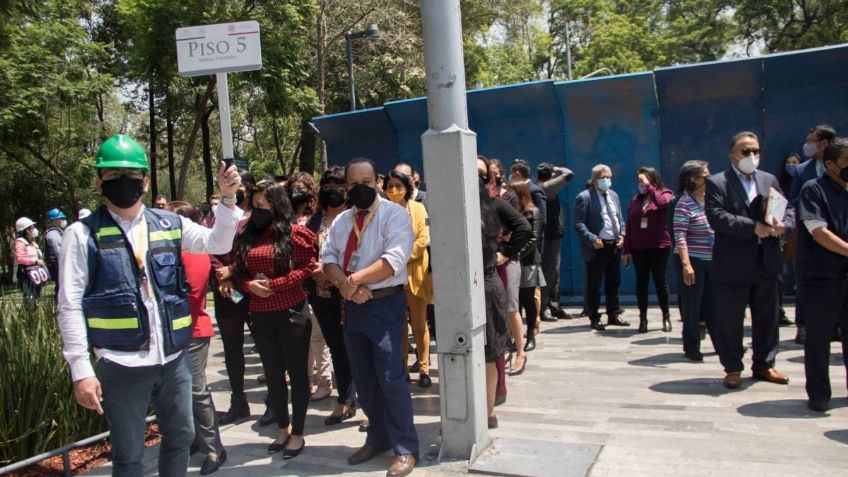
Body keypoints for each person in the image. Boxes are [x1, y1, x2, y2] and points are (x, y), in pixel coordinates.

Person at [57, 134, 241, 476]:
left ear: (144, 181)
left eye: (131, 175)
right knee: (128, 453)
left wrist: (228, 199)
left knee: (181, 437)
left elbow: (219, 241)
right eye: (112, 176)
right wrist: (81, 370)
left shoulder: (170, 224)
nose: (122, 182)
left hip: (173, 359)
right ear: (99, 182)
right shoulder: (82, 235)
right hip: (121, 362)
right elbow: (69, 305)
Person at [321, 158, 417, 477]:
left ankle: (405, 448)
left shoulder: (394, 214)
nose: (359, 187)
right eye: (353, 183)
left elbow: (394, 260)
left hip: (384, 304)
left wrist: (353, 281)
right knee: (363, 379)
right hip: (353, 307)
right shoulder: (342, 222)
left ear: (377, 181)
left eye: (366, 181)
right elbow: (329, 260)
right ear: (346, 186)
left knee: (391, 377)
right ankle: (378, 437)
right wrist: (347, 288)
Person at [231, 179, 318, 458]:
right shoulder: (248, 235)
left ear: (277, 206)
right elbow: (239, 272)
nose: (256, 211)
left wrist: (277, 285)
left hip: (291, 312)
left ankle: (299, 433)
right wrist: (249, 287)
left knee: (297, 374)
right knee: (273, 375)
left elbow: (309, 266)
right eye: (254, 205)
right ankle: (283, 426)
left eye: (262, 205)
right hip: (260, 315)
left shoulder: (295, 235)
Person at [705, 131, 795, 389]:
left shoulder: (769, 179)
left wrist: (783, 226)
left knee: (767, 316)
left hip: (766, 260)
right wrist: (752, 227)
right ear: (733, 154)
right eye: (746, 151)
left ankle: (765, 364)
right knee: (730, 318)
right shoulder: (717, 182)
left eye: (756, 151)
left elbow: (786, 209)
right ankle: (732, 367)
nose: (752, 156)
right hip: (733, 262)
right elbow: (716, 216)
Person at [166, 201, 226, 474]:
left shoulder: (193, 253)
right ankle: (193, 439)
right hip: (175, 332)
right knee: (180, 393)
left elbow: (187, 296)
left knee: (196, 391)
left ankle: (214, 449)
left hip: (192, 331)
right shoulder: (174, 252)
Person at [796, 137, 848, 412]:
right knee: (819, 338)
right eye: (846, 163)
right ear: (829, 164)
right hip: (822, 278)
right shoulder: (813, 190)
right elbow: (819, 232)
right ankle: (819, 394)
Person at [305, 165, 357, 425]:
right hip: (321, 296)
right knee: (336, 348)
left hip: (351, 293)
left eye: (339, 186)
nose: (334, 191)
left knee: (357, 348)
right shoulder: (314, 222)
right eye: (328, 187)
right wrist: (313, 269)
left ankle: (361, 400)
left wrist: (332, 272)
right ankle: (345, 398)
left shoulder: (355, 218)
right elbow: (303, 255)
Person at [212, 172, 257, 426]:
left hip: (251, 292)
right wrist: (224, 277)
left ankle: (274, 401)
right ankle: (238, 400)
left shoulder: (258, 219)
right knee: (232, 349)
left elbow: (258, 254)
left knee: (265, 346)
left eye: (240, 188)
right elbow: (211, 248)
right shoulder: (219, 215)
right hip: (227, 293)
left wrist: (235, 271)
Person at [384, 169, 434, 388]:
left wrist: (401, 258)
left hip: (416, 274)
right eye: (390, 186)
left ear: (407, 188)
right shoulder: (382, 213)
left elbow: (423, 239)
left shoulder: (418, 208)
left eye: (398, 186)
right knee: (399, 326)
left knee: (419, 324)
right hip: (392, 278)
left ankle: (424, 368)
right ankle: (402, 368)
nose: (394, 190)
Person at [287, 172, 334, 401]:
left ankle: (325, 381)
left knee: (317, 337)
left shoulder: (317, 219)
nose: (299, 193)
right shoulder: (285, 220)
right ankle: (302, 383)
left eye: (303, 189)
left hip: (316, 282)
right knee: (299, 340)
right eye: (295, 188)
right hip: (293, 285)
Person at [790, 125, 837, 344]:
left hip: (838, 234)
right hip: (809, 235)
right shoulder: (802, 171)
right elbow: (792, 202)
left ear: (825, 143)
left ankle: (835, 324)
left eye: (811, 140)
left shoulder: (840, 167)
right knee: (804, 280)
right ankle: (803, 325)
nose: (807, 144)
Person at [574, 164, 627, 330]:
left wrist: (622, 234)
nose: (606, 180)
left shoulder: (614, 196)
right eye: (603, 177)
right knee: (594, 284)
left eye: (609, 177)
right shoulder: (584, 197)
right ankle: (594, 317)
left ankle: (613, 313)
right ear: (595, 179)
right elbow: (579, 223)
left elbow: (620, 219)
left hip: (614, 245)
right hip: (597, 246)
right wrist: (592, 239)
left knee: (614, 282)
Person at [672, 161, 716, 362]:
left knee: (714, 306)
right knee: (692, 306)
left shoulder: (712, 200)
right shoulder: (683, 203)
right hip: (695, 261)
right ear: (693, 180)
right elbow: (680, 235)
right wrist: (686, 264)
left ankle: (721, 343)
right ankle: (691, 346)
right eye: (705, 177)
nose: (710, 180)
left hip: (713, 260)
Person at [622, 167, 674, 333]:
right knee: (641, 283)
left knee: (660, 281)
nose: (641, 185)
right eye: (639, 182)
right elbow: (630, 223)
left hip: (659, 246)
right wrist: (626, 249)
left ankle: (666, 315)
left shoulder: (664, 193)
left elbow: (663, 204)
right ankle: (643, 318)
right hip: (639, 247)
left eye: (643, 181)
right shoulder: (636, 199)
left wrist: (650, 187)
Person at [509, 182, 546, 351]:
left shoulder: (534, 212)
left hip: (528, 261)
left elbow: (535, 238)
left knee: (528, 300)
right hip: (513, 260)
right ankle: (514, 336)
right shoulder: (511, 213)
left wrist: (517, 252)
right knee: (514, 302)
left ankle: (531, 334)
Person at [537, 163, 574, 321]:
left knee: (554, 273)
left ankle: (554, 305)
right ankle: (543, 308)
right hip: (548, 238)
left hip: (552, 236)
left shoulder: (541, 185)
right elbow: (569, 173)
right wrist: (558, 169)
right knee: (548, 273)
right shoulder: (547, 186)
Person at [778, 153, 803, 327]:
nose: (792, 166)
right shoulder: (781, 184)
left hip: (797, 231)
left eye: (795, 163)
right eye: (789, 163)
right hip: (782, 233)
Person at [14, 217, 45, 306]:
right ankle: (27, 317)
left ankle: (33, 317)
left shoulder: (32, 242)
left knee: (36, 297)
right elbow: (20, 259)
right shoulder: (20, 242)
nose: (34, 229)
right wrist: (36, 261)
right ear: (27, 230)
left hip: (35, 273)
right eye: (32, 227)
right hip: (26, 274)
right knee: (29, 298)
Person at [45, 208, 67, 297]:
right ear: (55, 221)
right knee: (61, 286)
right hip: (56, 265)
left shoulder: (58, 232)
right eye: (61, 218)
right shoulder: (53, 233)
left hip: (58, 264)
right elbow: (59, 250)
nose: (63, 220)